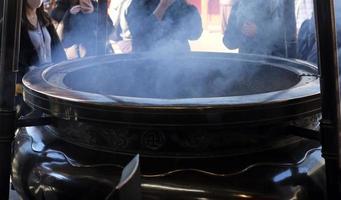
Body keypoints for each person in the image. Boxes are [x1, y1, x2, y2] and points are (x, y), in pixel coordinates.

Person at [18, 0, 66, 114]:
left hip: (50, 79)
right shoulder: (13, 23)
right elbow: (11, 59)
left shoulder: (44, 17)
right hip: (30, 84)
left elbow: (57, 48)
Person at [223, 0, 296, 57]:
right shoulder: (240, 3)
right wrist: (241, 33)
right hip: (246, 64)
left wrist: (258, 31)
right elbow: (229, 41)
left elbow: (289, 34)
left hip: (275, 63)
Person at [126, 0, 203, 53]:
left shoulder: (181, 5)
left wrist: (190, 13)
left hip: (179, 62)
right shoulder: (139, 3)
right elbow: (139, 33)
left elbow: (195, 34)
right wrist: (162, 6)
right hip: (147, 62)